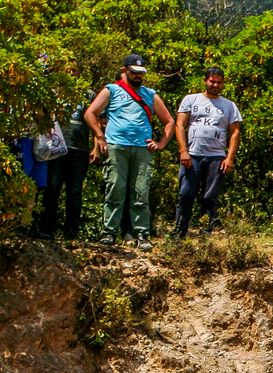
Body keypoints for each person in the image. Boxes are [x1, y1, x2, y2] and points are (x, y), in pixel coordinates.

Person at [84, 53, 175, 251]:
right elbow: (90, 113)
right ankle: (109, 232)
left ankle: (141, 234)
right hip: (117, 146)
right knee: (115, 188)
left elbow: (169, 121)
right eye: (134, 72)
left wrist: (161, 143)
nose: (138, 76)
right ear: (125, 70)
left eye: (141, 73)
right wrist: (100, 136)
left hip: (142, 149)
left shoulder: (150, 94)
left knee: (141, 191)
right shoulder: (111, 90)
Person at [173, 67, 242, 238]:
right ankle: (179, 233)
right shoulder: (191, 99)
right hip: (193, 155)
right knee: (186, 194)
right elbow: (180, 125)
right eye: (212, 81)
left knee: (210, 197)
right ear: (205, 81)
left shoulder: (229, 105)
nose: (215, 85)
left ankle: (205, 235)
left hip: (216, 157)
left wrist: (229, 158)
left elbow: (235, 132)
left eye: (219, 82)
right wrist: (183, 151)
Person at [36, 95, 94, 241]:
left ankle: (71, 234)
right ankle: (46, 229)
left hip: (80, 150)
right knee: (52, 188)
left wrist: (96, 146)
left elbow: (95, 119)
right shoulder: (56, 91)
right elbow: (41, 113)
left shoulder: (90, 95)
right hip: (57, 148)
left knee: (74, 192)